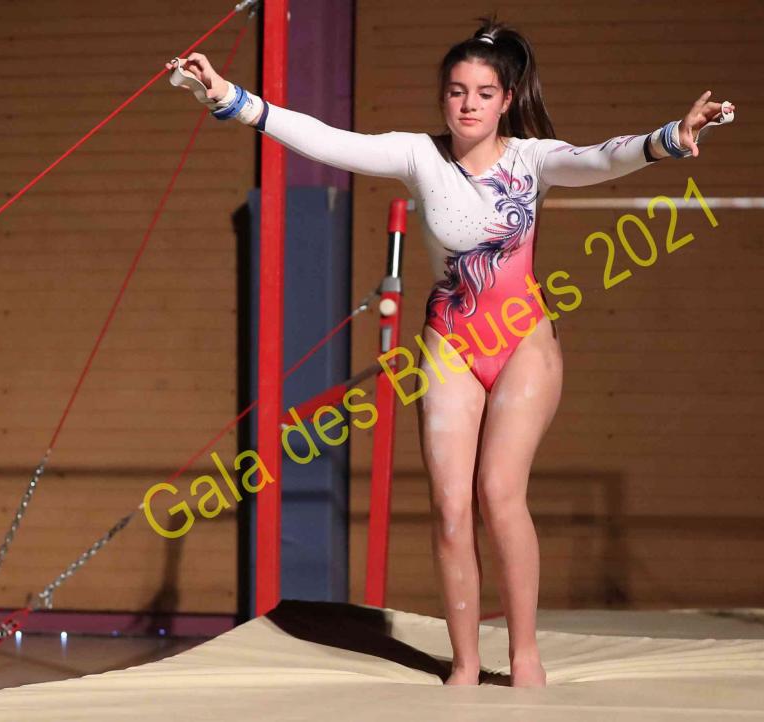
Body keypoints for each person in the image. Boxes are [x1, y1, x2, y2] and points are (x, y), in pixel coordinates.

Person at [168, 16, 734, 688]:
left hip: (521, 340)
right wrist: (232, 98)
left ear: (507, 100)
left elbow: (601, 158)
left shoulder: (533, 160)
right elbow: (327, 140)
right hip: (450, 343)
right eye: (458, 91)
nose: (469, 104)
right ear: (444, 96)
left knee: (499, 492)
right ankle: (464, 662)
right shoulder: (418, 156)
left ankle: (524, 655)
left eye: (484, 93)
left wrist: (672, 137)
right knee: (450, 507)